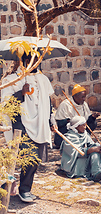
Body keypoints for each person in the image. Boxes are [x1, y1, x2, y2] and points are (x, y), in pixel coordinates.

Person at [1, 53, 56, 203]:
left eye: (38, 59)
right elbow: (6, 105)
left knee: (35, 159)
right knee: (29, 157)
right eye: (32, 59)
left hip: (40, 125)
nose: (35, 63)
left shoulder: (43, 80)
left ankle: (25, 189)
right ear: (25, 61)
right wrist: (21, 93)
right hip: (20, 125)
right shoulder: (12, 80)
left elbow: (48, 102)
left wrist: (51, 120)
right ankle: (18, 189)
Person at [60, 116, 101, 181]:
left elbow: (91, 144)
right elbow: (76, 153)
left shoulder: (84, 134)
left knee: (97, 146)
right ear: (76, 126)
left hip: (83, 156)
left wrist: (99, 147)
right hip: (74, 162)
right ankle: (95, 172)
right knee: (94, 150)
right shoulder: (69, 137)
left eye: (85, 125)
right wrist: (92, 149)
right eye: (83, 125)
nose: (85, 127)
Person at [54, 84, 100, 149]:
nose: (84, 99)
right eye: (82, 97)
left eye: (84, 97)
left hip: (81, 128)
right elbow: (59, 123)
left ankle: (84, 140)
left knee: (93, 123)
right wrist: (69, 121)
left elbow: (86, 120)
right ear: (75, 96)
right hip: (69, 129)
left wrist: (92, 117)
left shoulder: (84, 104)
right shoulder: (65, 104)